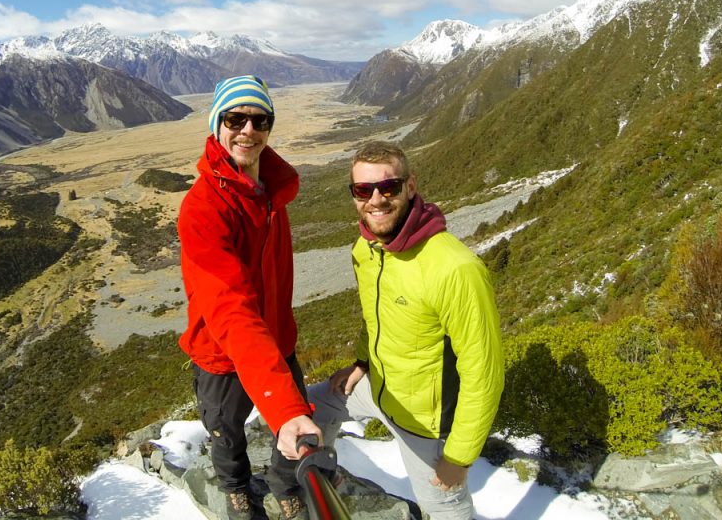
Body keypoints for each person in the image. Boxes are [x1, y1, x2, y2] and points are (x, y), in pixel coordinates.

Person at [309, 141, 504, 520]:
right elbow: (375, 315)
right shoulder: (367, 249)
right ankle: (327, 482)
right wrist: (362, 363)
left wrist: (459, 458)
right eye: (363, 190)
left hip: (425, 421)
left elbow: (484, 375)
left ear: (410, 186)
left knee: (443, 503)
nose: (376, 200)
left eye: (389, 188)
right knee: (310, 408)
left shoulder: (455, 269)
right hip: (380, 388)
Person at [177, 75, 321, 520]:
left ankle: (283, 485)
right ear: (215, 124)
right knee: (226, 430)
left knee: (290, 427)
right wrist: (283, 406)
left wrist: (286, 409)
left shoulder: (271, 194)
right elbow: (230, 307)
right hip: (220, 352)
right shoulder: (203, 209)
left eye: (260, 120)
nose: (248, 130)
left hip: (276, 340)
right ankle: (236, 488)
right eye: (235, 118)